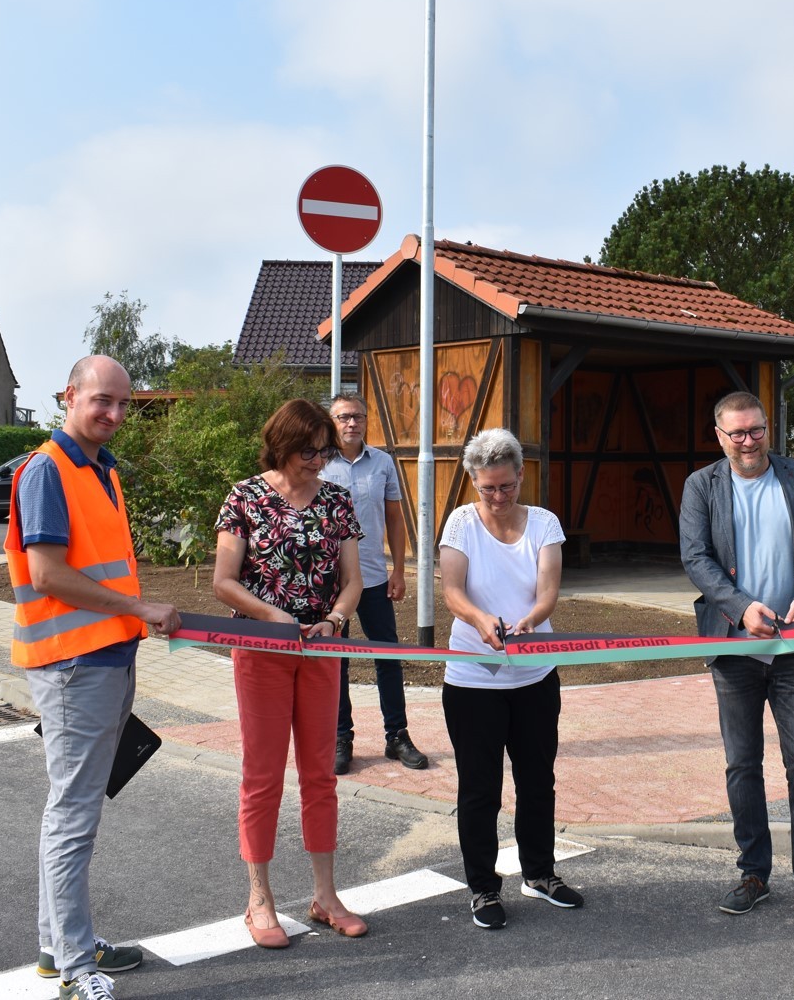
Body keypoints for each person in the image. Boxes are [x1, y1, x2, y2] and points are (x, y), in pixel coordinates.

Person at [6, 355, 182, 1000]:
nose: (113, 413)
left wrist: (132, 620)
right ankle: (76, 967)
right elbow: (47, 574)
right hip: (74, 666)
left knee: (73, 809)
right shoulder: (48, 470)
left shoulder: (98, 468)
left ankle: (60, 944)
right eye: (101, 400)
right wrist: (139, 608)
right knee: (73, 814)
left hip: (103, 658)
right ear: (69, 396)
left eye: (122, 403)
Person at [678, 391, 794, 926]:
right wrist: (740, 608)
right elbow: (696, 558)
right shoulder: (701, 486)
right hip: (733, 648)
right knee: (742, 765)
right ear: (719, 436)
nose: (748, 442)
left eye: (756, 430)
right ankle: (753, 873)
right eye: (737, 433)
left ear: (767, 428)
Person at [212, 398, 367, 949]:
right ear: (281, 445)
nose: (319, 461)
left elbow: (353, 581)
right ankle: (259, 898)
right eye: (309, 451)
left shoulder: (337, 500)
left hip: (322, 651)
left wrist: (334, 619)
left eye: (325, 451)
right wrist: (273, 617)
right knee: (263, 775)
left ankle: (325, 896)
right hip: (262, 651)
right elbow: (224, 582)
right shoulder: (244, 497)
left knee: (320, 775)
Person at [439, 427, 582, 930]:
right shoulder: (461, 523)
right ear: (473, 482)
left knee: (538, 780)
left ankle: (539, 873)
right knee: (479, 788)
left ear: (522, 476)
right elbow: (452, 592)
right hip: (472, 680)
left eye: (507, 486)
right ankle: (482, 887)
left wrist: (531, 620)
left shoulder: (544, 523)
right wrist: (481, 619)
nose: (498, 497)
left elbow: (548, 592)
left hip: (534, 674)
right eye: (488, 488)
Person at [319, 393, 429, 774]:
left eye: (358, 417)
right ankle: (340, 738)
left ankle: (397, 736)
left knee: (388, 657)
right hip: (330, 585)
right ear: (331, 422)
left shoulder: (382, 462)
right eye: (343, 417)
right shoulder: (318, 463)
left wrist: (398, 570)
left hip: (374, 579)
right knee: (337, 663)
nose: (352, 423)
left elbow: (395, 519)